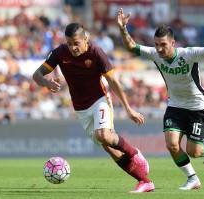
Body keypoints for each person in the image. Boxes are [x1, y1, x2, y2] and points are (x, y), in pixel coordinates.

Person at [117, 8, 204, 190]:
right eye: (156, 44)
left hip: (198, 107)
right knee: (171, 144)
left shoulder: (188, 54)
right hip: (175, 106)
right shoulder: (156, 55)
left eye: (163, 44)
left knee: (194, 151)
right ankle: (192, 178)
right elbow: (132, 46)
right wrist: (124, 29)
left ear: (173, 42)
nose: (159, 49)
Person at [32, 23, 155, 193]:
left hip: (99, 100)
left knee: (103, 134)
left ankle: (134, 153)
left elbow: (113, 81)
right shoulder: (60, 53)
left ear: (85, 39)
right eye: (69, 43)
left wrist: (128, 108)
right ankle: (145, 181)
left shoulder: (96, 53)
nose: (73, 47)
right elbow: (36, 75)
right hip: (81, 108)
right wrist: (46, 82)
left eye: (76, 43)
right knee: (108, 147)